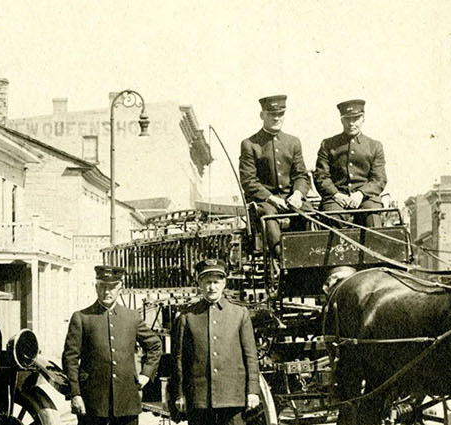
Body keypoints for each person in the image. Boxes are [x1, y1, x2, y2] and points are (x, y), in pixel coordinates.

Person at [61, 265, 161, 425]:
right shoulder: (82, 317)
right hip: (93, 403)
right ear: (96, 287)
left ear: (120, 288)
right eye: (102, 287)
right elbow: (70, 359)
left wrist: (146, 374)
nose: (107, 292)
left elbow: (155, 345)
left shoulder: (132, 317)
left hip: (127, 402)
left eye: (112, 287)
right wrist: (75, 394)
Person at [167, 259, 261, 425]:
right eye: (207, 282)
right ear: (200, 284)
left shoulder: (239, 314)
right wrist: (180, 394)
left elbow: (251, 357)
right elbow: (178, 360)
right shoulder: (187, 317)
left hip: (232, 397)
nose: (212, 287)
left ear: (224, 283)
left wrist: (252, 391)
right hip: (200, 399)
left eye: (216, 282)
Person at [238, 95, 311, 252]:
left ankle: (309, 259)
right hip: (265, 201)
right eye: (272, 114)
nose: (277, 118)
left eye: (280, 114)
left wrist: (297, 194)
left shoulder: (293, 142)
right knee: (269, 216)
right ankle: (280, 259)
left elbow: (301, 175)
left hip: (290, 199)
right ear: (262, 115)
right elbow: (248, 180)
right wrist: (271, 199)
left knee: (310, 214)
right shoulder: (250, 144)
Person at [313, 99, 388, 227]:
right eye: (347, 119)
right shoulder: (328, 145)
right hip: (335, 199)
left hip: (366, 199)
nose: (351, 123)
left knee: (373, 216)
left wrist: (361, 194)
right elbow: (321, 176)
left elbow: (379, 179)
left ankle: (376, 247)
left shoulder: (374, 146)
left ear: (363, 118)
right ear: (341, 120)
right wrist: (336, 195)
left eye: (356, 118)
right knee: (332, 217)